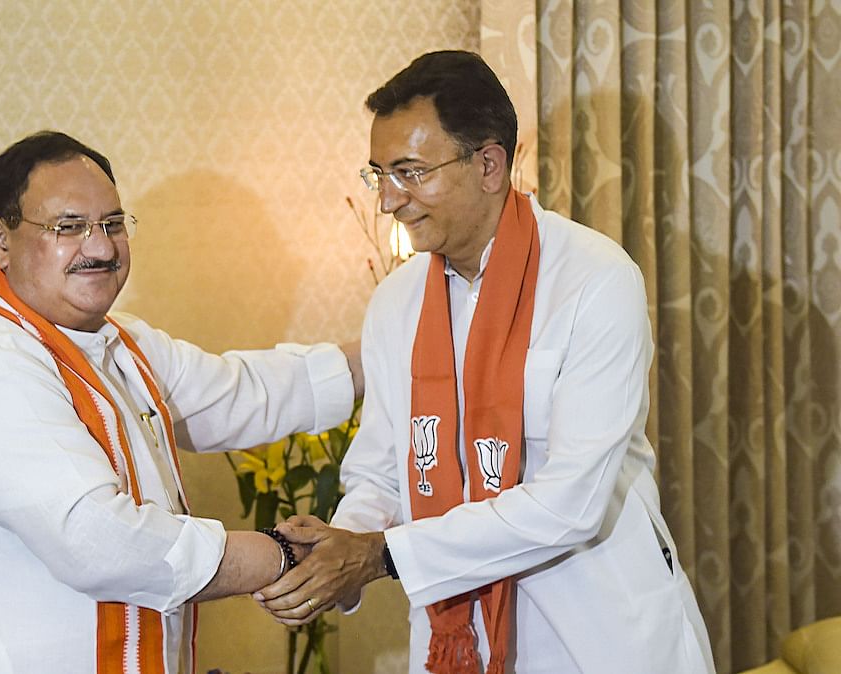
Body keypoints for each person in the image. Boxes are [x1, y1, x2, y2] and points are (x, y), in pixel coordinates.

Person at [254, 51, 714, 674]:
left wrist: (378, 554)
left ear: (490, 164)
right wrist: (334, 551)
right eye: (379, 174)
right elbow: (383, 471)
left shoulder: (594, 281)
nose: (388, 200)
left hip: (596, 630)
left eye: (410, 173)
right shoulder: (398, 301)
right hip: (454, 633)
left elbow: (570, 504)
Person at [0, 131, 360, 673]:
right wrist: (283, 555)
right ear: (0, 240)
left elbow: (240, 394)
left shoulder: (118, 342)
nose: (101, 247)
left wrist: (392, 349)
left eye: (112, 224)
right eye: (69, 227)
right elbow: (99, 539)